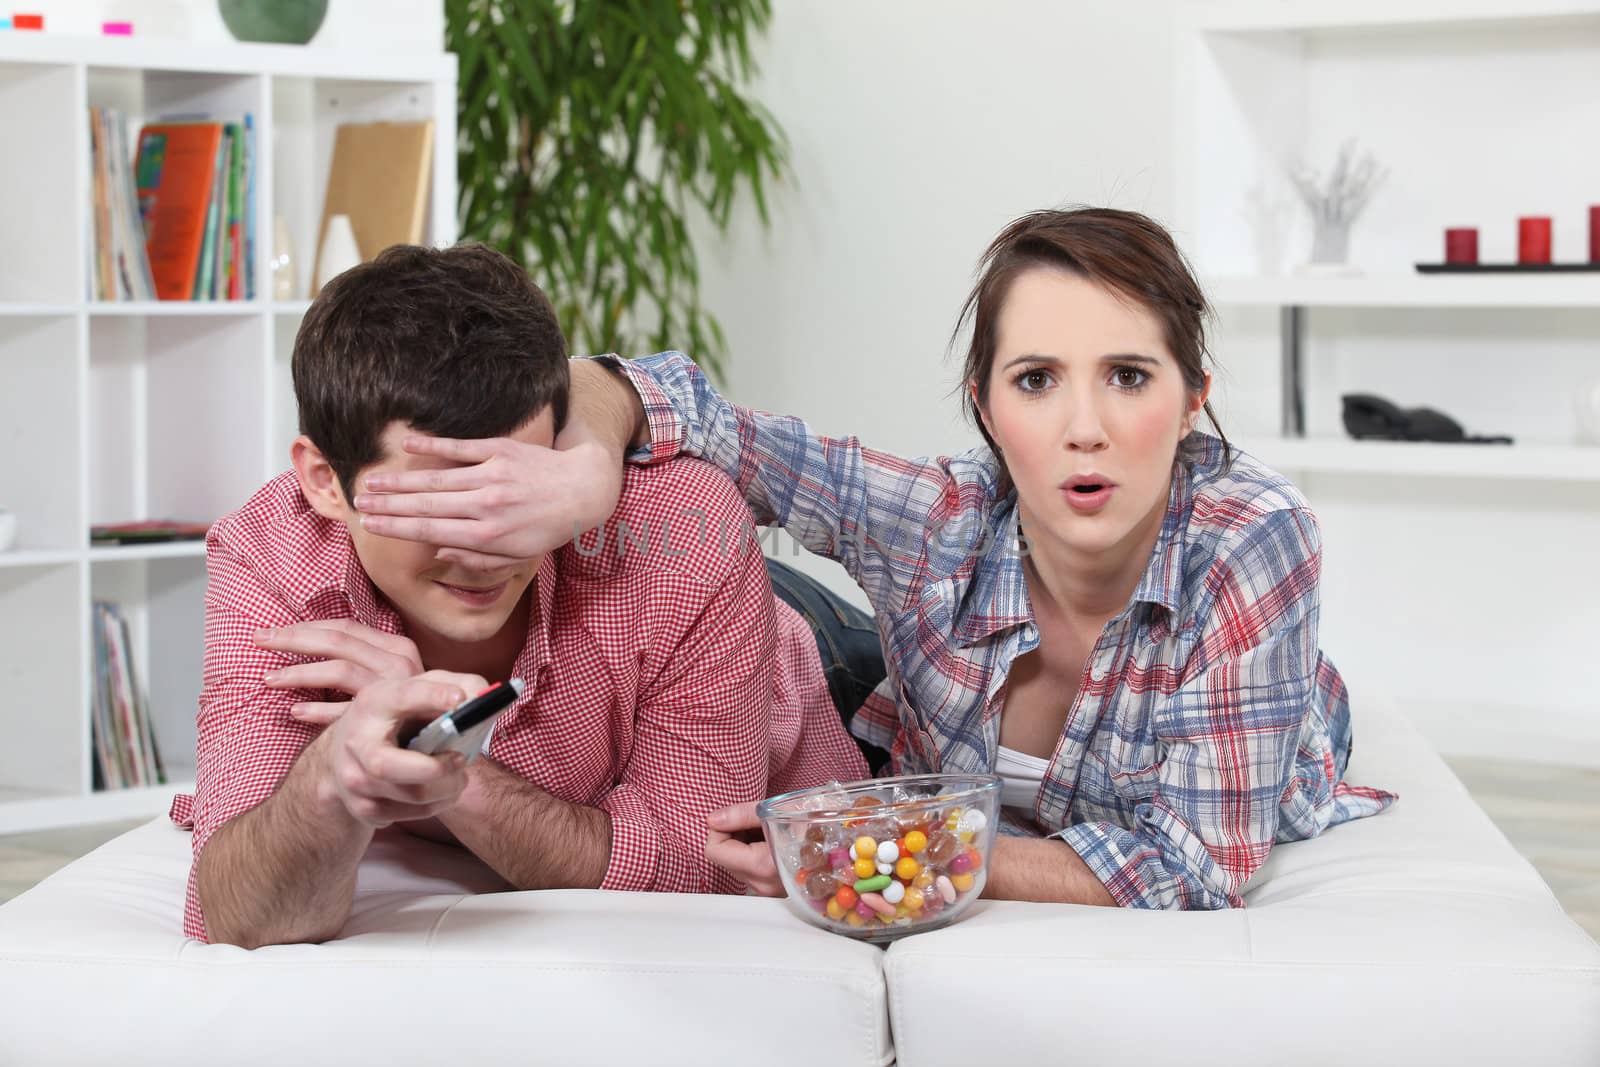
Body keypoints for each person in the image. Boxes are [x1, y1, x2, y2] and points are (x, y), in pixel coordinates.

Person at [352, 208, 1397, 911]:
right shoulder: (943, 515)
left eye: (1128, 375)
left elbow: (1199, 863)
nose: (1085, 427)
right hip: (875, 659)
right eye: (1036, 380)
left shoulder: (1251, 536)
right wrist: (585, 462)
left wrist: (882, 849)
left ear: (1192, 398)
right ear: (984, 406)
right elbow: (683, 403)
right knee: (722, 564)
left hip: (1264, 709)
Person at [172, 243, 868, 947]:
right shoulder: (268, 555)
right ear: (324, 480)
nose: (481, 550)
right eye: (437, 505)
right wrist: (332, 771)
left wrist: (447, 759)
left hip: (811, 658)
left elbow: (703, 864)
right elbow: (233, 911)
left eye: (509, 495)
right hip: (660, 634)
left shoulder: (694, 529)